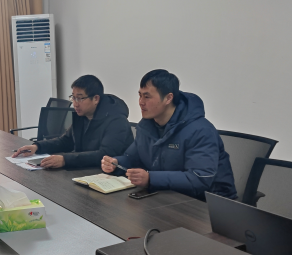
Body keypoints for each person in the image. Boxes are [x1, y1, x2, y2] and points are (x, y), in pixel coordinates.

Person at [101, 69, 236, 200]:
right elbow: (133, 158)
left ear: (168, 98)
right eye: (140, 95)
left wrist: (151, 178)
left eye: (147, 96)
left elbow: (199, 178)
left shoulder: (201, 130)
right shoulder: (146, 125)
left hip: (207, 203)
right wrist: (116, 163)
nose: (141, 102)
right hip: (167, 195)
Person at [11, 75, 133, 169]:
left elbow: (105, 155)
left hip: (112, 179)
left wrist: (65, 160)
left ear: (96, 99)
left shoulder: (117, 121)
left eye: (79, 98)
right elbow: (65, 141)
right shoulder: (82, 115)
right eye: (73, 97)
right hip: (85, 172)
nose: (75, 103)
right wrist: (37, 146)